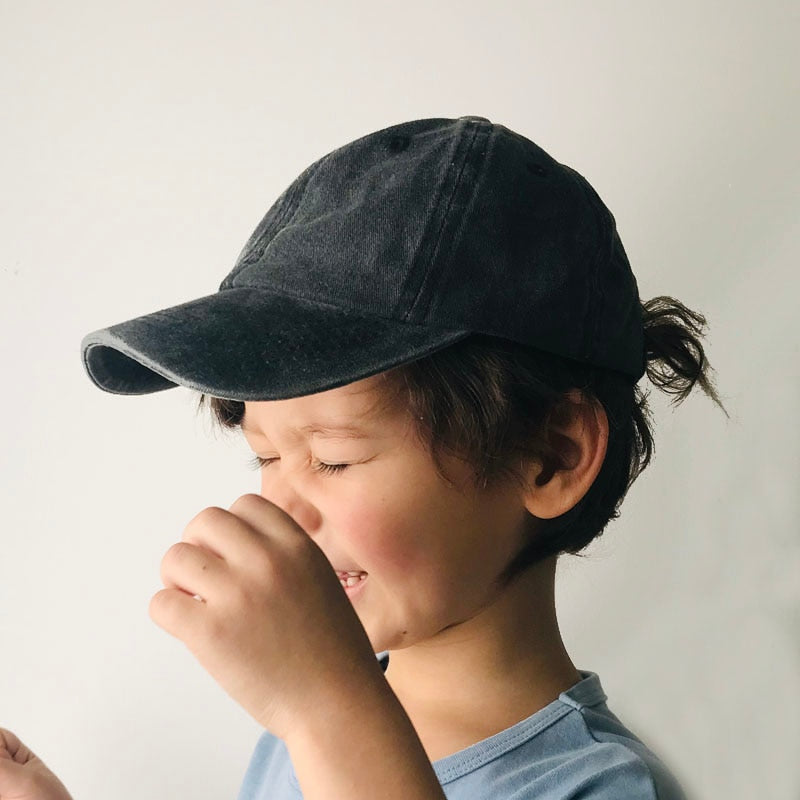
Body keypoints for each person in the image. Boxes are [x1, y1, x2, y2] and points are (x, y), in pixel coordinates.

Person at [1, 115, 726, 799]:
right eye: (263, 456)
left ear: (549, 456)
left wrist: (324, 708)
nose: (276, 508)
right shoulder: (308, 721)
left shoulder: (596, 785)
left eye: (333, 458)